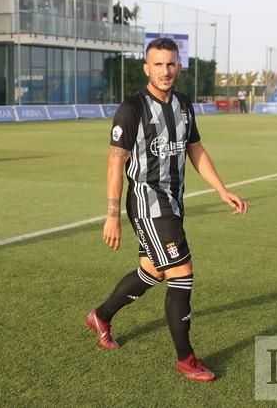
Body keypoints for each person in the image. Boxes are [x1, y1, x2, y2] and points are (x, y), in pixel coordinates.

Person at [85, 37, 248, 382]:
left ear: (179, 67)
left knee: (153, 271)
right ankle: (185, 358)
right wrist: (112, 215)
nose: (165, 70)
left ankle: (101, 316)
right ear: (146, 68)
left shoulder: (184, 106)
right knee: (182, 274)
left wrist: (222, 190)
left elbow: (196, 150)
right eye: (158, 64)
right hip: (147, 202)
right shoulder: (132, 109)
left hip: (173, 202)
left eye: (171, 64)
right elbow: (116, 163)